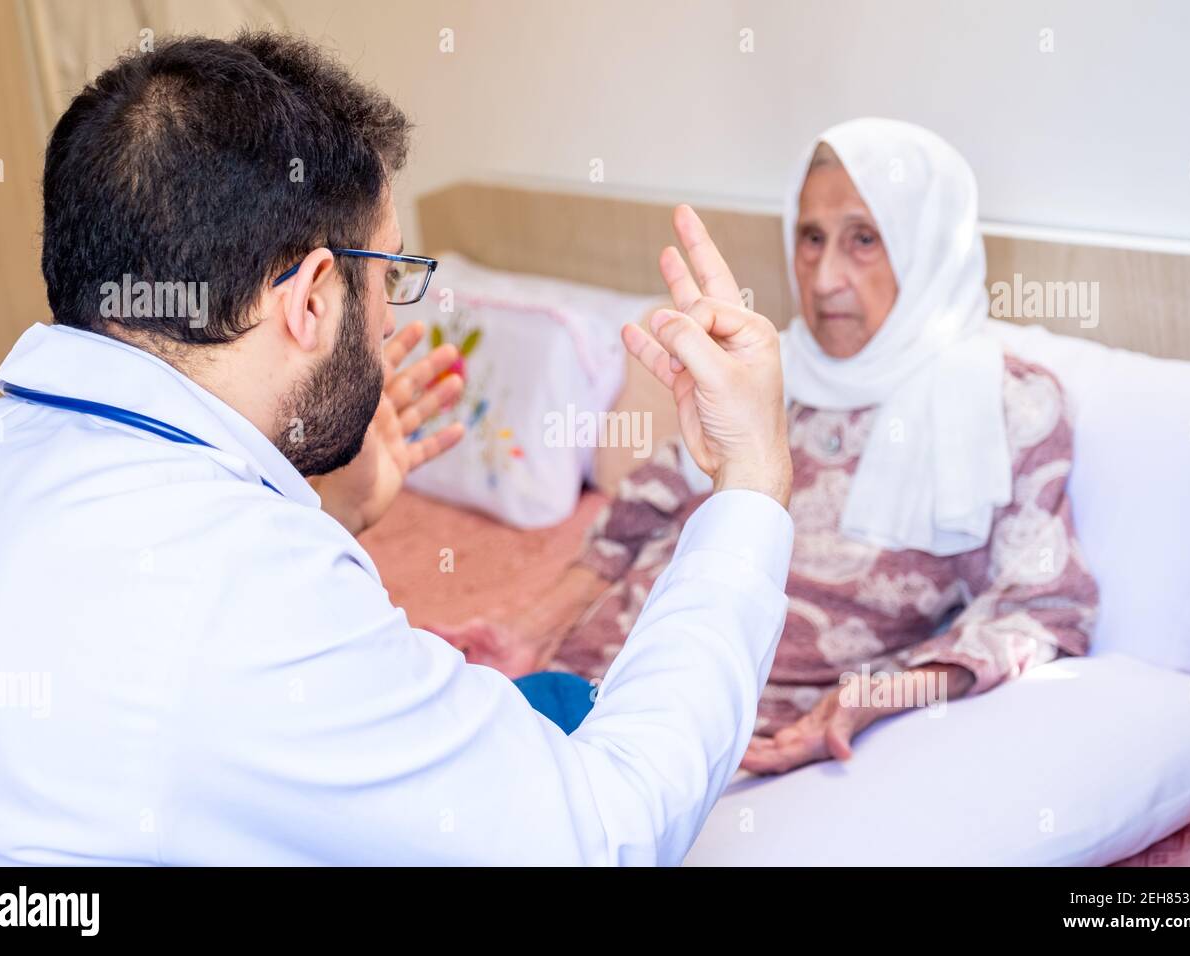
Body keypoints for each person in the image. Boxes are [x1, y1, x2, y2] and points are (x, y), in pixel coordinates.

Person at [0, 32, 794, 865]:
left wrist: (331, 513)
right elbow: (606, 831)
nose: (394, 319)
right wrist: (751, 478)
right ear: (313, 298)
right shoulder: (253, 588)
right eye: (388, 273)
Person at [437, 118, 1099, 775]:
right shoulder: (770, 365)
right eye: (811, 238)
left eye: (864, 239)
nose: (825, 276)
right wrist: (527, 629)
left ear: (927, 243)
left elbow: (1044, 611)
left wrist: (878, 698)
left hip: (715, 739)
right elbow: (638, 510)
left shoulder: (1005, 405)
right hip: (580, 690)